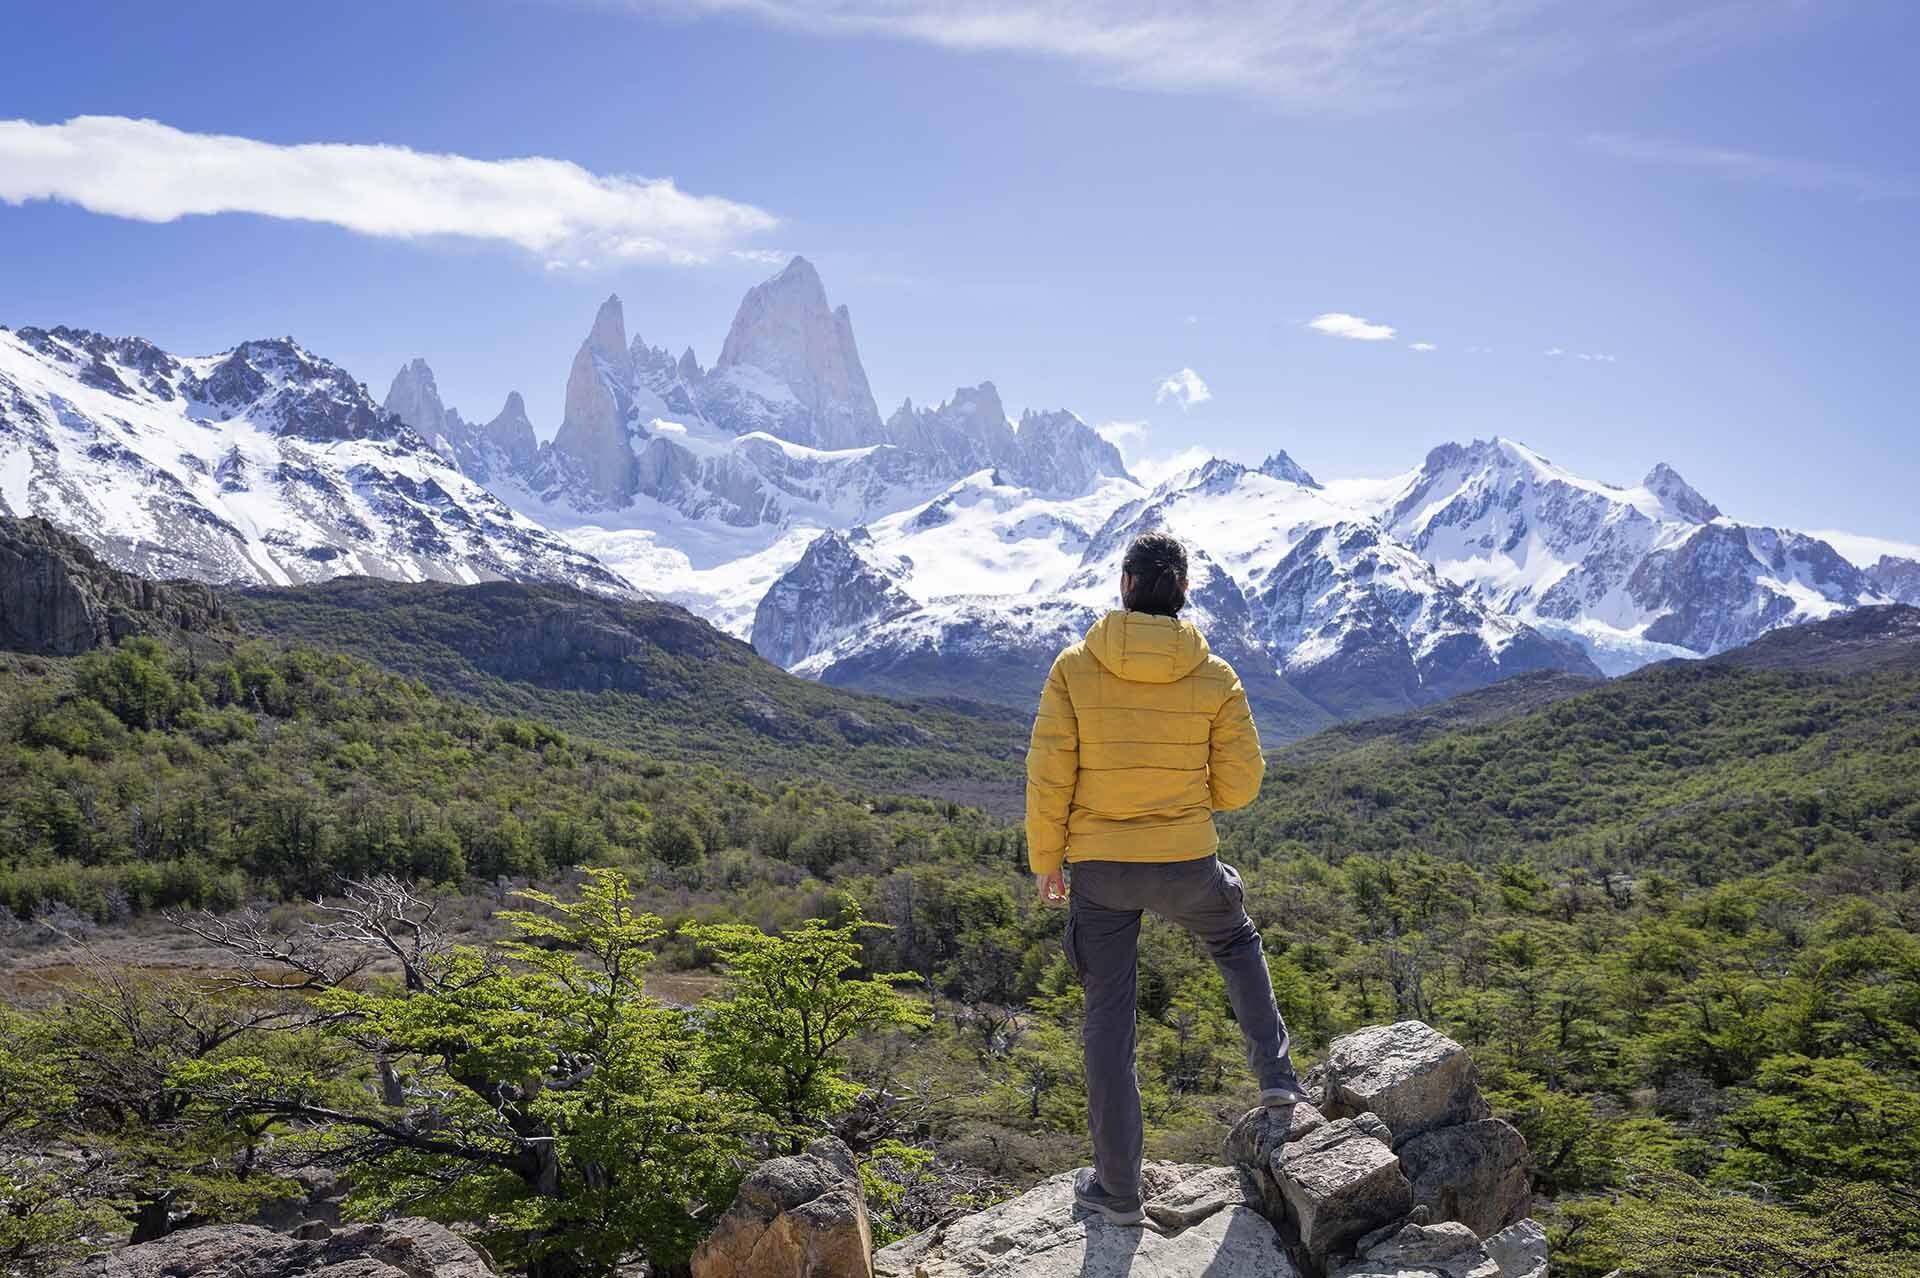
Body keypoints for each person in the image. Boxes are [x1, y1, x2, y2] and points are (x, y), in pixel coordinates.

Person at [1025, 531, 1309, 1226]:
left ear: (1124, 584)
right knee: (1236, 942)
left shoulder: (1074, 666)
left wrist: (1046, 862)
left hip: (1100, 872)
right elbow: (1242, 784)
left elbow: (1049, 774)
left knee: (1108, 1023)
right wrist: (1184, 798)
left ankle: (1118, 1190)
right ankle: (1277, 1083)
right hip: (1187, 860)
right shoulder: (1215, 675)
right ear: (1182, 590)